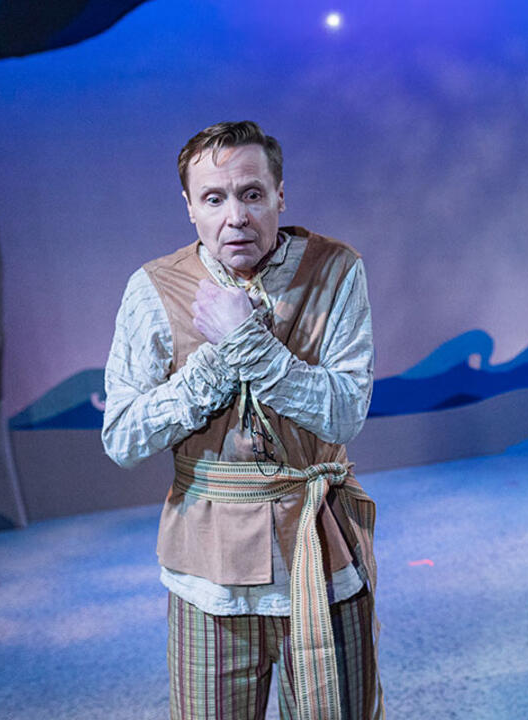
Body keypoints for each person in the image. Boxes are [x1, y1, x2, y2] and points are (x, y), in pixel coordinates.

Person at [102, 121, 383, 719]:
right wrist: (217, 361)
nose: (237, 216)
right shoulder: (154, 288)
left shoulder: (336, 271)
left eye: (252, 194)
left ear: (280, 195)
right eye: (214, 198)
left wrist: (251, 346)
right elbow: (123, 438)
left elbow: (345, 413)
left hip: (320, 556)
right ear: (189, 208)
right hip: (208, 578)